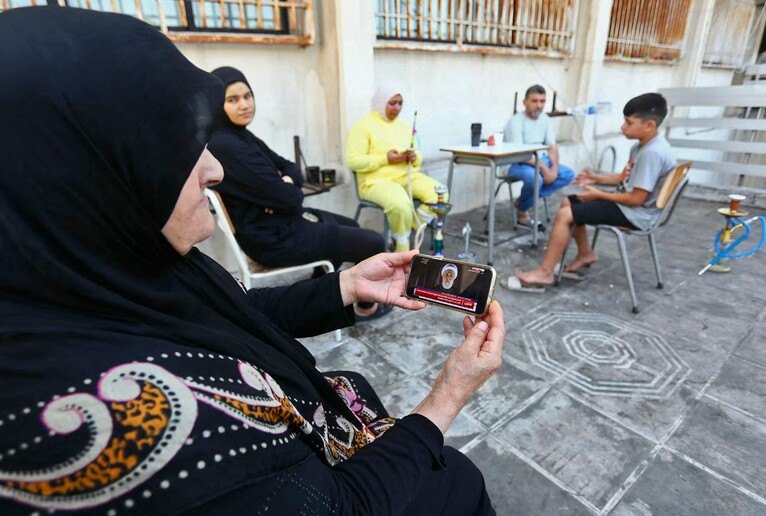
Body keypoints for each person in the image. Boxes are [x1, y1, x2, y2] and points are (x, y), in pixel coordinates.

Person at [0, 8, 505, 515]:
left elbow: (236, 311)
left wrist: (345, 288)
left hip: (322, 406)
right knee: (458, 478)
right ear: (85, 174)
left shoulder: (120, 273)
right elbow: (342, 508)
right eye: (177, 147)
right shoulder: (131, 427)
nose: (214, 169)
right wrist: (448, 395)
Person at [207, 66, 384, 273]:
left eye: (248, 96)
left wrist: (287, 182)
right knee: (373, 243)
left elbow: (290, 167)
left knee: (351, 226)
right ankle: (364, 306)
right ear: (218, 104)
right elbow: (291, 198)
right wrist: (284, 191)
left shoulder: (242, 136)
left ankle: (322, 292)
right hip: (272, 239)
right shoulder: (228, 147)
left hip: (283, 221)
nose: (244, 105)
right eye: (233, 100)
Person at [513, 92, 676, 287]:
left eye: (628, 123)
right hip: (628, 206)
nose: (622, 127)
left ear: (649, 125)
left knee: (566, 214)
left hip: (637, 213)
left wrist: (598, 194)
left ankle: (545, 272)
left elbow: (636, 199)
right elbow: (625, 178)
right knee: (569, 202)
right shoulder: (643, 146)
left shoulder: (652, 153)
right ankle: (585, 253)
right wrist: (595, 178)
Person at [346, 86, 443, 252]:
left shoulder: (404, 127)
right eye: (392, 103)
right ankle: (402, 246)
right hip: (375, 182)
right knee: (401, 204)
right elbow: (353, 161)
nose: (397, 108)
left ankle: (410, 227)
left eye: (400, 103)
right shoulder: (363, 126)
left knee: (440, 194)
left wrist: (413, 157)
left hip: (407, 176)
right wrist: (385, 158)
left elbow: (418, 159)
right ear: (380, 102)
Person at [503, 84, 575, 229]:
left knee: (567, 174)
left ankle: (523, 201)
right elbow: (519, 154)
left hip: (540, 160)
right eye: (534, 101)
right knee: (536, 179)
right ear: (525, 102)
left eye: (542, 101)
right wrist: (544, 168)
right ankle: (523, 213)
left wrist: (553, 169)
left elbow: (552, 146)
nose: (539, 105)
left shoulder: (545, 119)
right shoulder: (516, 122)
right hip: (517, 162)